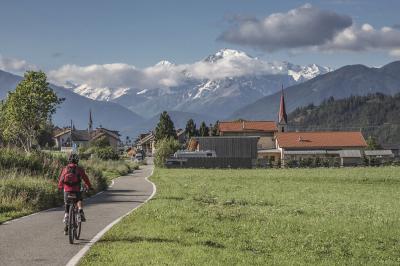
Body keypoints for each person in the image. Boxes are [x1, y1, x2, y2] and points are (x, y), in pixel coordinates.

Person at [58, 153, 92, 234]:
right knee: (79, 199)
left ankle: (66, 215)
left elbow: (61, 179)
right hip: (76, 190)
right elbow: (85, 178)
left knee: (67, 202)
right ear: (77, 160)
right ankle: (80, 210)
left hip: (67, 190)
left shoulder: (65, 169)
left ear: (69, 160)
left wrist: (60, 187)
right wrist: (89, 186)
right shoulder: (79, 169)